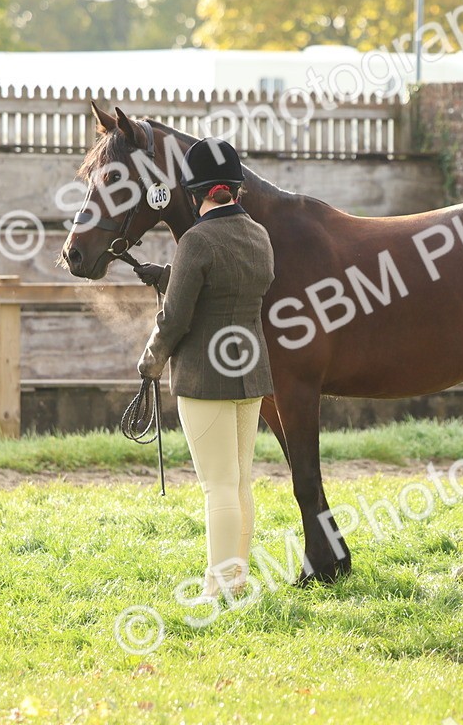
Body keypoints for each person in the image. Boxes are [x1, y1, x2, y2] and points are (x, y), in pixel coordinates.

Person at [135, 137, 275, 599]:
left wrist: (151, 359)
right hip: (250, 370)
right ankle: (237, 579)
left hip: (204, 377)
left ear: (195, 195)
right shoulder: (258, 235)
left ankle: (217, 588)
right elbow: (227, 287)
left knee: (217, 487)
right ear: (234, 189)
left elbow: (176, 318)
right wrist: (169, 276)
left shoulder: (195, 240)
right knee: (239, 482)